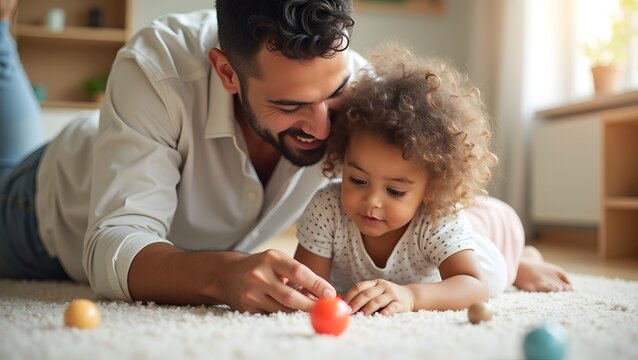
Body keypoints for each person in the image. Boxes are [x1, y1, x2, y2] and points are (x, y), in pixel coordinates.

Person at [0, 0, 368, 313]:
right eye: (290, 105)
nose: (322, 130)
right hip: (37, 211)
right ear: (227, 72)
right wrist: (223, 275)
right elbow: (111, 246)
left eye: (335, 91)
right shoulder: (155, 66)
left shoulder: (368, 90)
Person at [294, 44, 572, 316]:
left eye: (394, 190)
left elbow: (475, 288)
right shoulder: (327, 209)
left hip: (471, 250)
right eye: (357, 179)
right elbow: (308, 288)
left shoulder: (436, 218)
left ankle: (523, 260)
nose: (372, 201)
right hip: (437, 236)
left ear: (431, 189)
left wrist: (411, 296)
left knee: (498, 277)